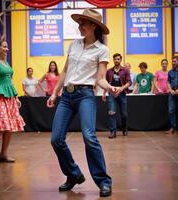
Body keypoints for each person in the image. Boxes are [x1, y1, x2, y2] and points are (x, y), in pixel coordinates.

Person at [47, 9, 116, 197]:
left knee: (89, 136)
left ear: (94, 26)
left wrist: (109, 87)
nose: (80, 27)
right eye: (79, 23)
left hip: (85, 94)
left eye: (83, 23)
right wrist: (55, 92)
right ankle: (73, 174)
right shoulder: (74, 45)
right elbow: (64, 71)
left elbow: (100, 78)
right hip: (67, 97)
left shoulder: (102, 49)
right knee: (56, 139)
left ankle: (104, 182)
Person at [102, 53, 131, 139]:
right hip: (111, 94)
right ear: (113, 60)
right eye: (115, 59)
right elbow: (106, 83)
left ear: (120, 60)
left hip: (122, 94)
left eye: (118, 59)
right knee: (111, 112)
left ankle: (124, 129)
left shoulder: (125, 70)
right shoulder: (109, 71)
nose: (116, 60)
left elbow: (129, 82)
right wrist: (104, 93)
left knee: (124, 114)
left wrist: (122, 88)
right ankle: (112, 132)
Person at [166, 56, 178, 134]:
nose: (173, 63)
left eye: (175, 61)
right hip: (172, 93)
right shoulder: (170, 72)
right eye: (172, 61)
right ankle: (173, 128)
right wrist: (170, 90)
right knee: (171, 110)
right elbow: (168, 82)